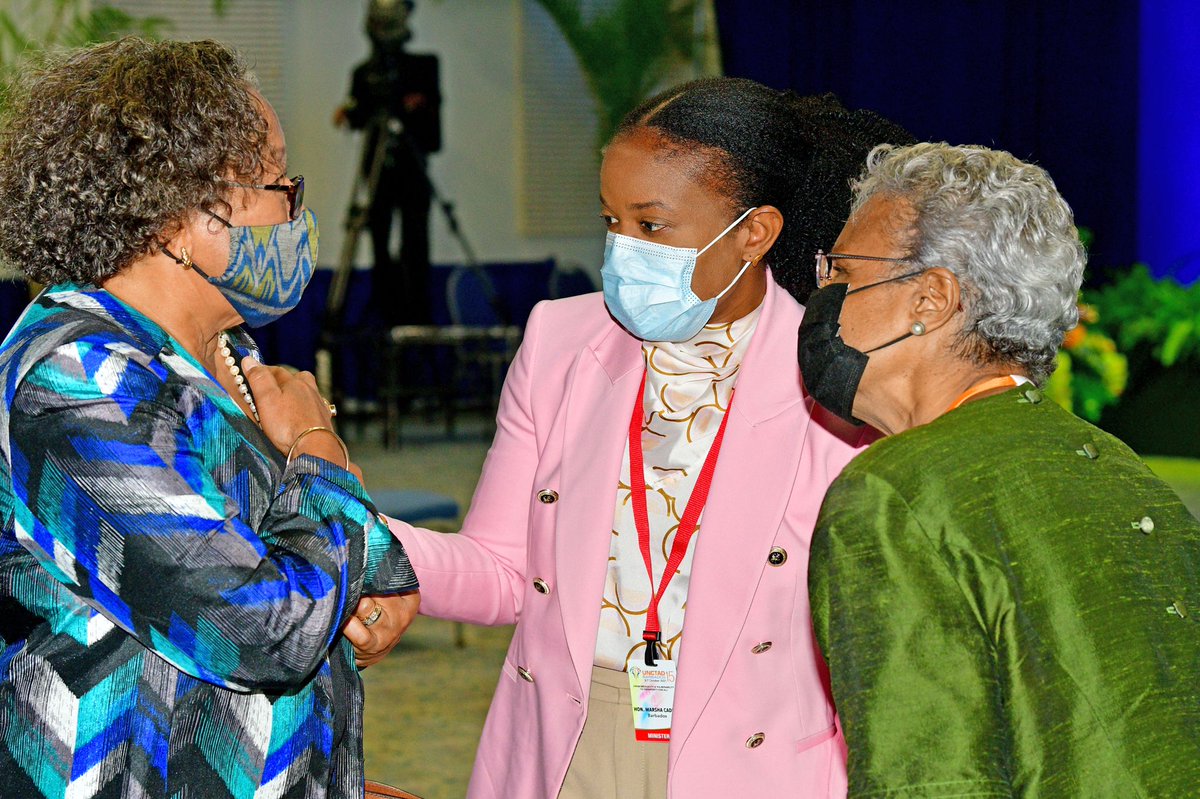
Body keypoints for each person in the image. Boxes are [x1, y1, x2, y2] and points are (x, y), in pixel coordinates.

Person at [384, 78, 912, 798]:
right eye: (611, 221)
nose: (622, 249)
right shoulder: (559, 342)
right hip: (564, 745)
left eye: (651, 226)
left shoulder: (836, 380)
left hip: (755, 761)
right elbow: (505, 573)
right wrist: (358, 536)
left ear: (754, 233)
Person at [0, 38, 420, 799]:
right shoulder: (80, 376)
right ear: (179, 219)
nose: (296, 201)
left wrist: (380, 582)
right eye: (275, 180)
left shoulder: (223, 349)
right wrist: (320, 446)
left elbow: (306, 541)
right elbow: (262, 631)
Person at [802, 142, 1200, 796]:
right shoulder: (1125, 472)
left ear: (930, 298)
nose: (823, 297)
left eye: (841, 272)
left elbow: (930, 781)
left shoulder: (893, 493)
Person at [335, 0, 442, 328]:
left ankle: (417, 321)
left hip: (412, 172)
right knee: (380, 249)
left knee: (416, 248)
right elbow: (357, 118)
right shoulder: (363, 74)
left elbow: (432, 135)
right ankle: (386, 317)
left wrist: (414, 109)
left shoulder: (424, 68)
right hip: (377, 176)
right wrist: (352, 111)